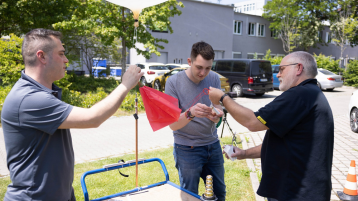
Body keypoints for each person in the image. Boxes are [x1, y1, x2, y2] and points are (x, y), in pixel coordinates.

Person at [1, 28, 144, 201]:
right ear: (42, 56)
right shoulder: (29, 99)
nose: (66, 60)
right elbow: (93, 118)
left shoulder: (42, 93)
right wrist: (125, 85)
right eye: (61, 54)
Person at [209, 51, 334, 201]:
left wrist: (223, 98)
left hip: (298, 193)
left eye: (282, 69)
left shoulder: (299, 95)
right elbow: (282, 143)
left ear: (299, 68)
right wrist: (244, 153)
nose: (278, 74)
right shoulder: (310, 94)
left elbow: (252, 122)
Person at [165, 41, 226, 200]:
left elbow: (219, 109)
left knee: (219, 194)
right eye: (199, 67)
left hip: (212, 145)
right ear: (189, 61)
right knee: (190, 196)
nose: (203, 73)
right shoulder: (173, 83)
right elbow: (172, 124)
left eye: (208, 68)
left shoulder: (213, 78)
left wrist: (217, 115)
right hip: (187, 148)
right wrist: (190, 113)